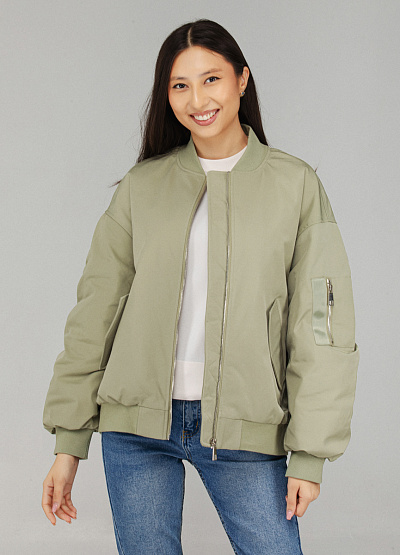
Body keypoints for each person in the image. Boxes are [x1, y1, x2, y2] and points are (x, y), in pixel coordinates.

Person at [41, 18, 360, 554]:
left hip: (246, 425)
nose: (197, 100)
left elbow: (321, 327)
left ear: (242, 79)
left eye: (211, 79)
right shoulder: (142, 187)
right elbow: (95, 313)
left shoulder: (296, 185)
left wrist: (310, 453)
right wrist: (68, 442)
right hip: (136, 429)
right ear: (166, 96)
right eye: (180, 85)